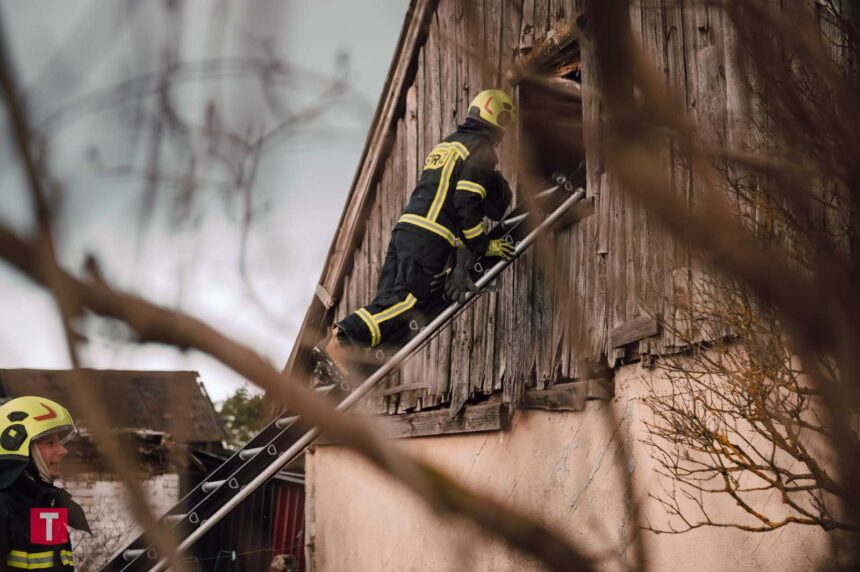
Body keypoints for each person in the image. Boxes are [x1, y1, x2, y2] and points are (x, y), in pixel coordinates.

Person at [314, 89, 518, 385]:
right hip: (430, 236)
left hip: (406, 230)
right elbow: (465, 202)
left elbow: (446, 195)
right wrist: (483, 245)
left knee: (389, 299)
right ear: (498, 119)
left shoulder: (449, 145)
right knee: (407, 303)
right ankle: (341, 339)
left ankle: (340, 356)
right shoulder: (480, 150)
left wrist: (460, 252)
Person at [0, 396, 90, 570]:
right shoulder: (3, 507)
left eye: (59, 441)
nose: (63, 450)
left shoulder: (43, 503)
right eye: (50, 443)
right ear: (17, 446)